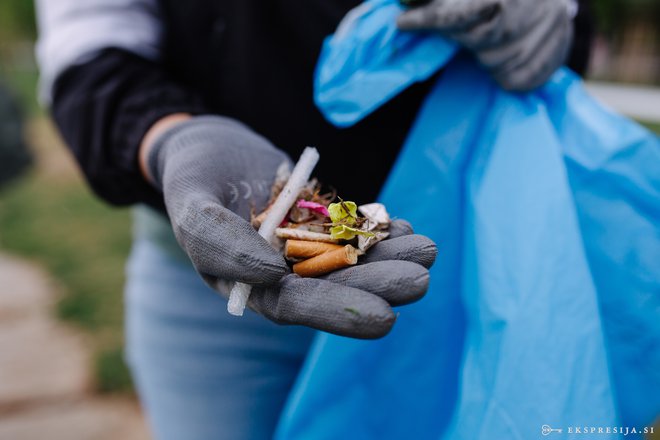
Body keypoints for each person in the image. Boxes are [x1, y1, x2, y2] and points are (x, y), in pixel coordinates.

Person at [35, 0, 587, 438]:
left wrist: (555, 12)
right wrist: (170, 136)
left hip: (459, 263)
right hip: (207, 294)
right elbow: (88, 45)